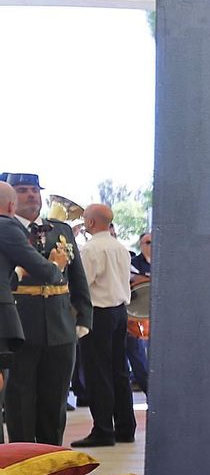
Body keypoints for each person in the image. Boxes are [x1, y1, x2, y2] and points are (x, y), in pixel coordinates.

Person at [0, 182, 71, 433]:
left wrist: (83, 318)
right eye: (22, 190)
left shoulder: (59, 230)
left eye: (34, 189)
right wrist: (56, 266)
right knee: (19, 404)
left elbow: (78, 279)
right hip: (18, 323)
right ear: (12, 204)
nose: (31, 195)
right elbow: (45, 271)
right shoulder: (8, 226)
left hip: (58, 327)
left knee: (54, 404)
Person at [72, 203, 136, 447]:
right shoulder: (119, 247)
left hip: (98, 314)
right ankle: (125, 427)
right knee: (119, 371)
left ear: (90, 223)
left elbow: (82, 283)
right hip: (120, 312)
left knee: (97, 372)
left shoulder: (91, 249)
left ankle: (102, 430)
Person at [127, 232, 151, 391]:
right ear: (141, 245)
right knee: (138, 355)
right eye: (148, 242)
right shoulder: (133, 264)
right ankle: (150, 390)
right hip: (138, 319)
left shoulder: (165, 262)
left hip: (156, 317)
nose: (151, 246)